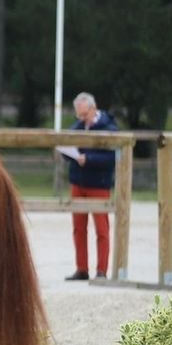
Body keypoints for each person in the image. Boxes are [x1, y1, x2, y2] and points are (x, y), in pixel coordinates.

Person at [64, 91, 118, 281]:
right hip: (78, 182)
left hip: (98, 184)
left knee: (101, 229)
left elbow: (112, 157)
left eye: (84, 114)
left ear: (93, 109)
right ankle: (82, 268)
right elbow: (66, 148)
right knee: (78, 228)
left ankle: (102, 270)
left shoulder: (110, 128)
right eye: (78, 115)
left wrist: (89, 159)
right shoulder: (78, 127)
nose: (81, 118)